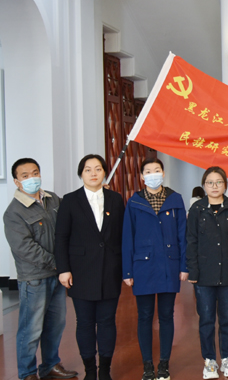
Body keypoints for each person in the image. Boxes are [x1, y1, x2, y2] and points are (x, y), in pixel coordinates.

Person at [3, 158, 78, 380]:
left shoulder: (52, 199)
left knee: (56, 324)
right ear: (17, 181)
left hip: (57, 275)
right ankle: (27, 373)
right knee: (31, 328)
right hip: (34, 278)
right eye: (25, 176)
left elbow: (71, 216)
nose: (32, 178)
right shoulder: (14, 212)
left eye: (35, 173)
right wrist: (59, 263)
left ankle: (50, 366)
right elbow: (25, 249)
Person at [55, 154, 125, 380]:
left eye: (98, 169)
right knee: (84, 323)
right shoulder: (70, 200)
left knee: (107, 321)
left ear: (104, 172)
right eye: (88, 169)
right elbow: (61, 238)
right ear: (81, 174)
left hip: (110, 270)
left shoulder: (115, 199)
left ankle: (104, 371)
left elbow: (123, 235)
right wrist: (63, 269)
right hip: (80, 272)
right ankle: (90, 372)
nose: (93, 173)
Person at [123, 158, 188, 380]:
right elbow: (127, 238)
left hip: (169, 264)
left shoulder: (175, 199)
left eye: (157, 170)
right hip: (143, 266)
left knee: (167, 315)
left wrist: (184, 265)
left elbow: (182, 235)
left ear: (163, 173)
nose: (153, 174)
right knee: (144, 316)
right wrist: (127, 271)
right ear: (142, 176)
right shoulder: (134, 202)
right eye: (148, 171)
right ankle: (148, 365)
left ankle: (164, 364)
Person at [187, 166, 228, 380]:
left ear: (225, 185)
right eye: (210, 182)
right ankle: (209, 360)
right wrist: (193, 270)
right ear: (204, 185)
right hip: (204, 273)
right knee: (206, 319)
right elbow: (191, 241)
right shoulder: (197, 209)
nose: (214, 186)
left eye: (218, 182)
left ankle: (227, 358)